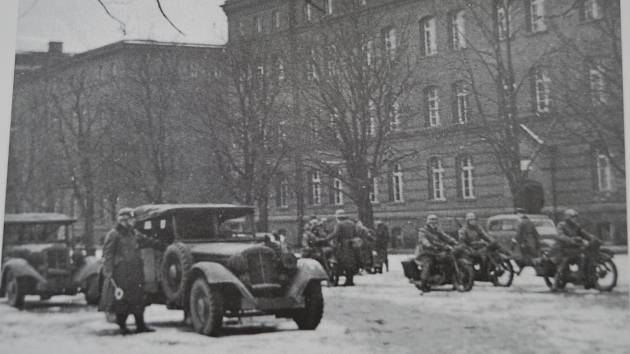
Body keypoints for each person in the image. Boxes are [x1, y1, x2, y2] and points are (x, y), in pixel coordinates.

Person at [99, 208, 165, 334]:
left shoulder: (133, 233)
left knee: (138, 299)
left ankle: (140, 325)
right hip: (121, 273)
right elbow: (108, 254)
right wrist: (108, 272)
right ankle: (122, 325)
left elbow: (146, 241)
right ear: (124, 220)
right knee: (122, 300)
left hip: (135, 271)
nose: (132, 221)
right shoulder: (114, 234)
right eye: (130, 219)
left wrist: (163, 245)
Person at [551, 209, 598, 291]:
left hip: (574, 249)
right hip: (563, 249)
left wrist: (593, 238)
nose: (575, 219)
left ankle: (586, 279)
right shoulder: (561, 225)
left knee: (585, 257)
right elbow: (560, 235)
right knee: (563, 262)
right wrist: (570, 240)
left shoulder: (576, 226)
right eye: (573, 217)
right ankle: (555, 283)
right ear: (568, 217)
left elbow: (584, 234)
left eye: (576, 217)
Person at [415, 214, 459, 291]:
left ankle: (454, 280)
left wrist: (455, 242)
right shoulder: (423, 231)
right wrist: (428, 245)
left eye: (435, 222)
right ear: (428, 222)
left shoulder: (437, 231)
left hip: (436, 251)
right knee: (428, 263)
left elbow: (446, 237)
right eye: (431, 222)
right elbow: (423, 240)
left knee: (449, 259)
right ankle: (423, 283)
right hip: (425, 252)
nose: (433, 224)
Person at [326, 212, 358, 286]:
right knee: (350, 263)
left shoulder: (339, 224)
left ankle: (337, 280)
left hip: (342, 246)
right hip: (351, 244)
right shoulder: (352, 223)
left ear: (339, 217)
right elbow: (356, 234)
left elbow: (335, 233)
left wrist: (326, 238)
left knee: (339, 262)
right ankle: (350, 280)